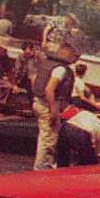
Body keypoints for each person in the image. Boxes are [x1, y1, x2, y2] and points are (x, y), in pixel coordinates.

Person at [31, 42, 79, 170]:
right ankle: (41, 170)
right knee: (49, 140)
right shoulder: (61, 69)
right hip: (48, 106)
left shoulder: (47, 63)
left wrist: (36, 99)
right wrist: (53, 110)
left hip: (38, 103)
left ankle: (43, 166)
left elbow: (34, 79)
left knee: (45, 137)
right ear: (68, 55)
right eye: (75, 56)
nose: (76, 59)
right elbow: (49, 89)